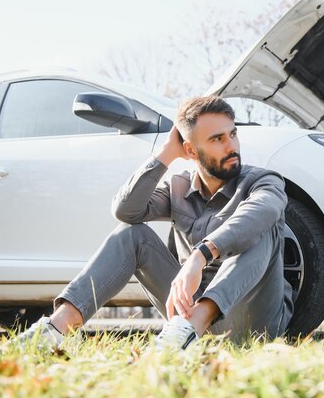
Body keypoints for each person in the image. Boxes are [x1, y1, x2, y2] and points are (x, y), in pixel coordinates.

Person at [16, 96, 294, 350]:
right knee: (131, 234)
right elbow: (126, 210)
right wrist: (166, 154)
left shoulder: (263, 181)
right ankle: (53, 330)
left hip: (254, 321)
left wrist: (200, 255)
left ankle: (187, 332)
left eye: (233, 134)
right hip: (187, 315)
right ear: (191, 150)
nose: (231, 146)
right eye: (217, 139)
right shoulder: (179, 187)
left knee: (263, 227)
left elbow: (263, 211)